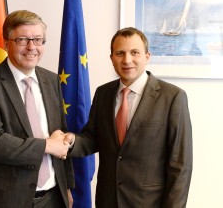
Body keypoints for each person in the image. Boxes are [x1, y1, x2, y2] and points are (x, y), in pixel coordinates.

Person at [65, 27, 193, 207]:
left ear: (147, 57)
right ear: (111, 58)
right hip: (108, 201)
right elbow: (92, 139)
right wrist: (70, 141)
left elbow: (180, 166)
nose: (127, 60)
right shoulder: (103, 93)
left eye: (134, 53)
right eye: (120, 53)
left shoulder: (172, 97)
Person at [0, 10, 74, 208]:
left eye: (38, 39)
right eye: (23, 40)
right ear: (7, 43)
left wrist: (66, 187)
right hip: (5, 198)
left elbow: (59, 134)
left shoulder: (52, 80)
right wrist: (47, 146)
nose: (31, 47)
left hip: (52, 197)